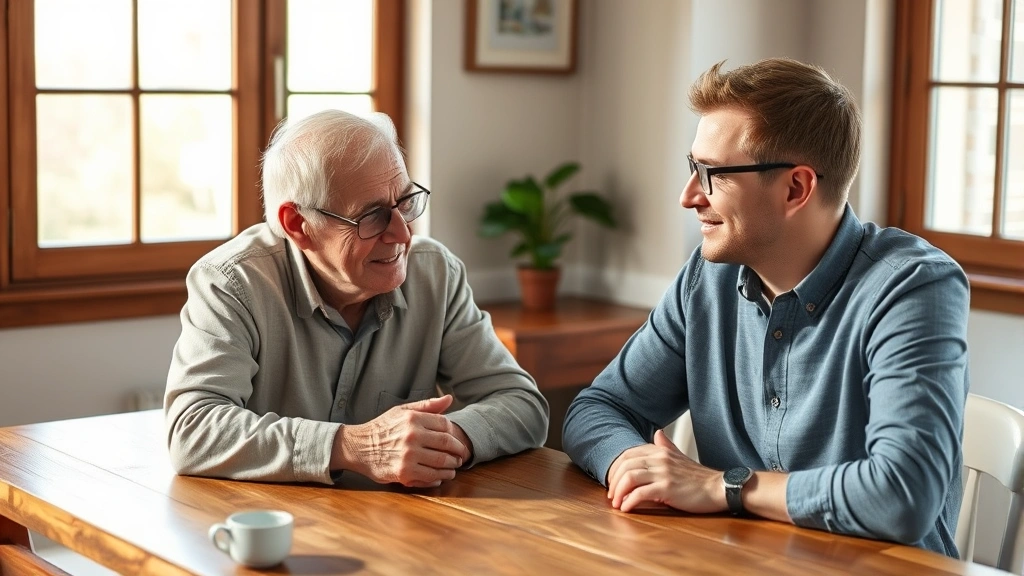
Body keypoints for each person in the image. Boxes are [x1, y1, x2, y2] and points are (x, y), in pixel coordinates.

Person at [562, 58, 969, 557]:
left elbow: (902, 495)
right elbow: (597, 409)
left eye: (712, 174)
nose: (688, 196)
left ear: (796, 188)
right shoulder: (706, 278)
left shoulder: (913, 287)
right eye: (693, 168)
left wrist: (723, 487)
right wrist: (634, 464)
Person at [165, 109, 549, 488]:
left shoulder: (435, 273)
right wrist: (355, 447)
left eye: (405, 202)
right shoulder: (232, 283)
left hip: (404, 527)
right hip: (275, 527)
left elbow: (522, 404)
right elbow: (193, 429)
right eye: (373, 216)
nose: (402, 233)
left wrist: (440, 439)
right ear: (298, 225)